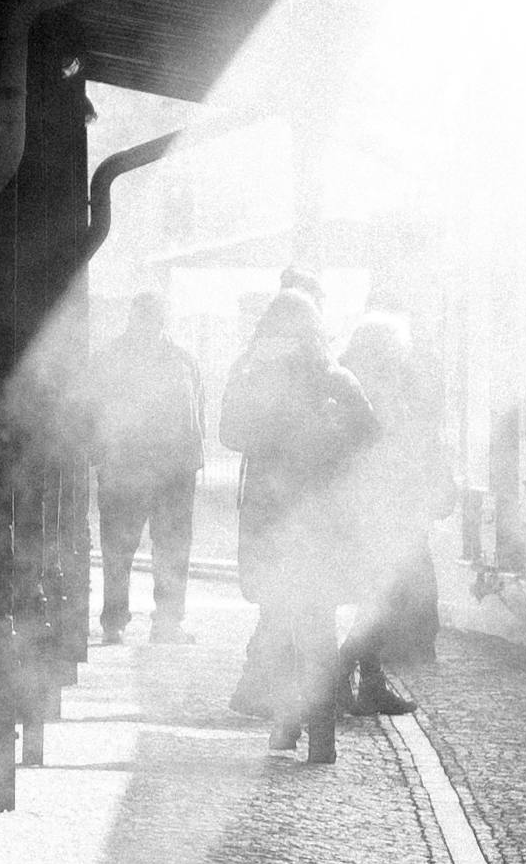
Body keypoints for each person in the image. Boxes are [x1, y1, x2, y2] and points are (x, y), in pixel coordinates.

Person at [216, 280, 377, 757]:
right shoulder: (337, 377)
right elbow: (371, 438)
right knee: (318, 627)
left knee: (285, 621)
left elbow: (229, 433)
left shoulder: (255, 375)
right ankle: (319, 735)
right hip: (325, 520)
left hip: (273, 519)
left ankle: (288, 725)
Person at [338, 283, 448, 713]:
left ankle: (367, 683)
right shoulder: (375, 391)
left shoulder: (373, 384)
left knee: (379, 599)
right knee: (382, 598)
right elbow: (390, 451)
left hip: (381, 508)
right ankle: (344, 672)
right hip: (378, 512)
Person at [90, 291, 206, 639]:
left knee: (138, 548)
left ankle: (128, 622)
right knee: (149, 547)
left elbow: (91, 412)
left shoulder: (113, 358)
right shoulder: (181, 360)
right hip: (151, 468)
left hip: (148, 468)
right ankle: (150, 622)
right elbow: (196, 415)